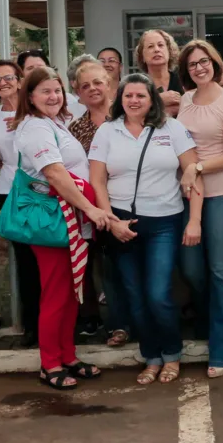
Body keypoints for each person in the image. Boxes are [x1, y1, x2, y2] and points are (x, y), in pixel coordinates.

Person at [11, 66, 122, 389]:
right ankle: (50, 363)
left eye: (57, 90)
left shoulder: (54, 123)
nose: (53, 96)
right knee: (57, 293)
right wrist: (90, 208)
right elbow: (56, 174)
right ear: (30, 96)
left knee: (72, 293)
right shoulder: (35, 129)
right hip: (55, 222)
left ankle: (67, 355)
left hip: (72, 221)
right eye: (45, 91)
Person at [88, 73, 202, 385]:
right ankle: (151, 357)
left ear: (152, 98)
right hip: (122, 222)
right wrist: (111, 221)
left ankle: (172, 353)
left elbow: (193, 173)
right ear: (120, 99)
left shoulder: (171, 128)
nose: (134, 101)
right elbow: (97, 180)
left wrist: (194, 220)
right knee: (135, 296)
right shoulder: (107, 132)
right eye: (128, 95)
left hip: (165, 221)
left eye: (141, 95)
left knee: (158, 294)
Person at [176, 40, 223, 378]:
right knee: (191, 268)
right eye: (192, 65)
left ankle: (222, 350)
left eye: (204, 61)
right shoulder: (184, 100)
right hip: (188, 194)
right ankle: (206, 322)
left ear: (215, 63)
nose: (199, 68)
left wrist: (198, 168)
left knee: (219, 269)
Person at [68, 61, 131, 347]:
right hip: (94, 205)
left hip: (133, 200)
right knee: (106, 266)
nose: (92, 89)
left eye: (97, 82)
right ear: (77, 93)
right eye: (85, 86)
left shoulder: (129, 116)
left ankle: (144, 321)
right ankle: (117, 325)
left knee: (133, 265)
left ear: (109, 84)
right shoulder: (75, 128)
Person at [0, 59, 39, 338]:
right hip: (9, 188)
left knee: (45, 252)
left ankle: (53, 319)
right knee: (22, 257)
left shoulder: (36, 108)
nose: (3, 83)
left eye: (8, 77)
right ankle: (29, 322)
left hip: (40, 187)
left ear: (20, 80)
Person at [17, 49, 85, 121]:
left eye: (40, 67)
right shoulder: (29, 119)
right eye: (30, 68)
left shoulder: (68, 99)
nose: (53, 97)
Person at [134, 30, 183, 117]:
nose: (156, 50)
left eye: (160, 45)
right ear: (142, 56)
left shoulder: (183, 80)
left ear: (169, 51)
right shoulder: (135, 85)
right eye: (150, 46)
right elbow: (132, 112)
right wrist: (159, 100)